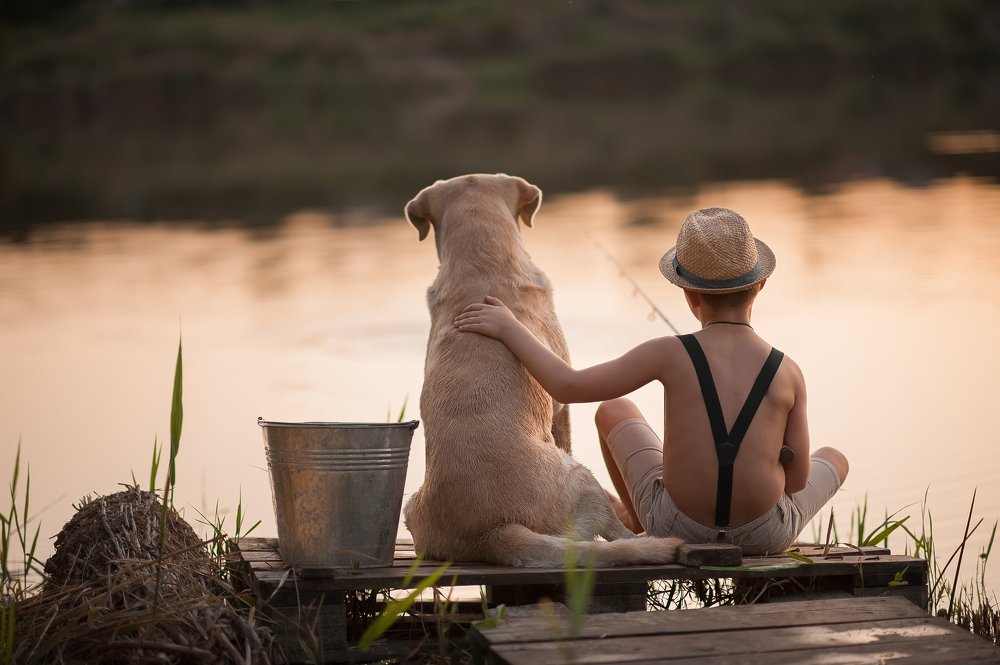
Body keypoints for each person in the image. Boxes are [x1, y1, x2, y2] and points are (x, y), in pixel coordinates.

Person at [453, 207, 848, 554]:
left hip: (674, 527)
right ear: (759, 285)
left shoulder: (667, 352)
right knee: (834, 459)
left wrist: (510, 328)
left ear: (689, 294)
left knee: (614, 409)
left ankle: (636, 524)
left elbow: (567, 387)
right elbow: (795, 483)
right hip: (765, 535)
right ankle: (650, 519)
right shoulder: (786, 370)